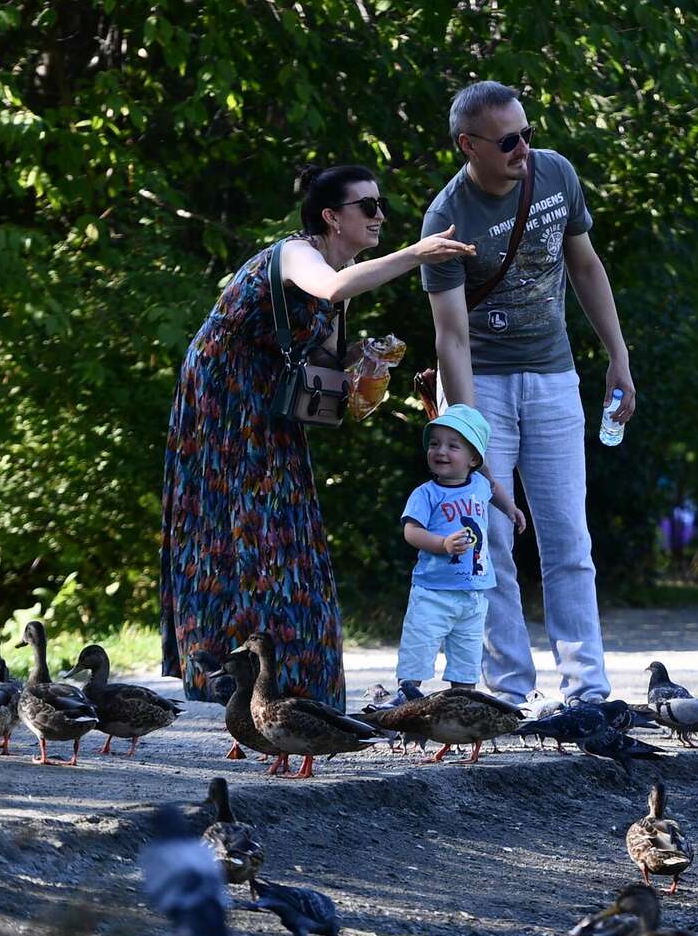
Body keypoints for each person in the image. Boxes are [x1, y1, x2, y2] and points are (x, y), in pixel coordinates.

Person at [162, 164, 477, 708]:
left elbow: (325, 364)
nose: (380, 217)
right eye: (368, 207)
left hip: (269, 405)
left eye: (381, 206)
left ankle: (294, 682)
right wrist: (415, 255)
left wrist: (365, 368)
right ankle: (222, 664)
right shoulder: (298, 254)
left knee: (284, 530)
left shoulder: (346, 272)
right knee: (231, 526)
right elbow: (328, 286)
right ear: (332, 217)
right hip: (222, 397)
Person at [421, 81, 636, 703]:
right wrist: (469, 437)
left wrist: (617, 358)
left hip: (554, 379)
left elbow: (586, 266)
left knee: (568, 536)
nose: (524, 149)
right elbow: (451, 339)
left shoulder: (556, 175)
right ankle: (509, 693)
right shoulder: (447, 219)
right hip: (482, 384)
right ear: (469, 145)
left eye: (527, 133)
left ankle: (586, 690)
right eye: (509, 140)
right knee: (487, 539)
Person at [395, 405, 525, 699]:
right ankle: (405, 699)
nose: (441, 451)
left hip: (473, 593)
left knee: (466, 660)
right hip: (432, 591)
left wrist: (511, 509)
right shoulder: (425, 493)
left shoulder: (479, 483)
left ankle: (462, 705)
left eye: (453, 446)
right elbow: (411, 532)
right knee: (418, 649)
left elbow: (494, 487)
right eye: (434, 444)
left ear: (474, 459)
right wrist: (442, 545)